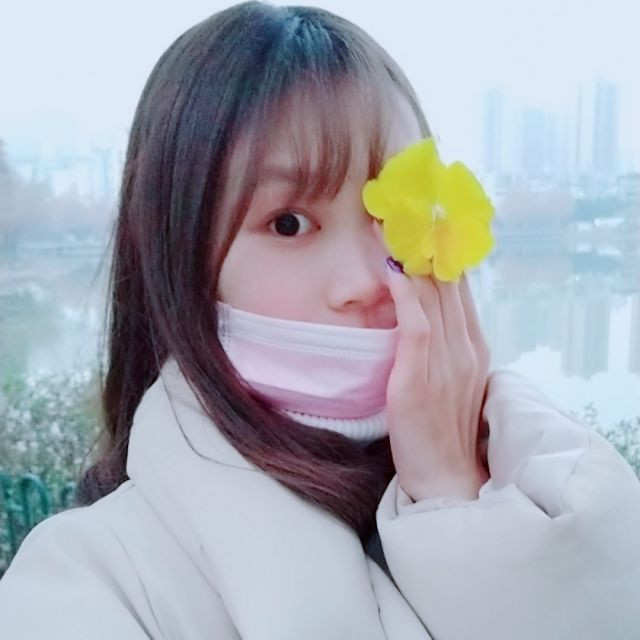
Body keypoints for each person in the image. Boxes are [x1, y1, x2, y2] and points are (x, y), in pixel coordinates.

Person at [1, 2, 639, 638]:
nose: (367, 281)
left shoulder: (549, 480)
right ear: (179, 264)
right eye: (289, 223)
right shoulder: (89, 584)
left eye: (392, 213)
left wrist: (452, 490)